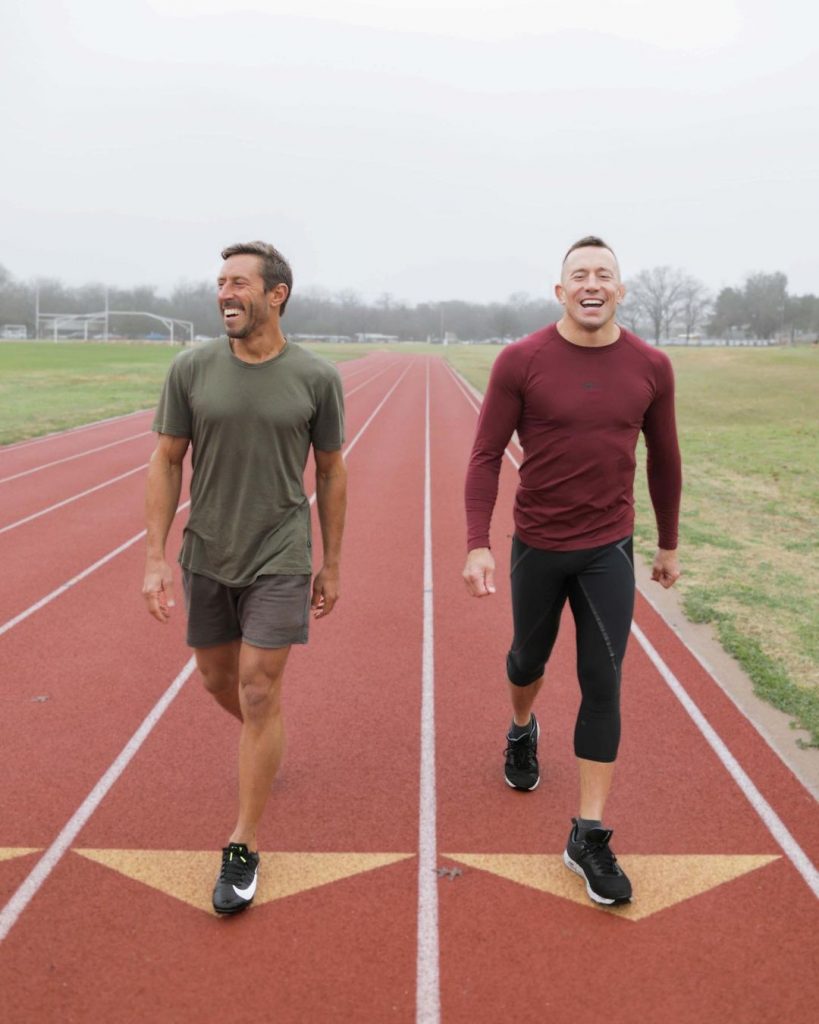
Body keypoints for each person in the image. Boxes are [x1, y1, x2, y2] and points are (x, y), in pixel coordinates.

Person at [462, 236, 681, 906]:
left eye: (603, 274)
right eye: (579, 274)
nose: (591, 283)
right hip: (538, 545)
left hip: (608, 548)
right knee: (526, 661)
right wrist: (477, 543)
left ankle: (587, 834)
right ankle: (521, 728)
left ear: (620, 289)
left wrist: (668, 544)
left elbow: (664, 458)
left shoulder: (651, 366)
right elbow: (485, 454)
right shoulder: (521, 360)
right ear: (560, 291)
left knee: (602, 681)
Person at [142, 241, 347, 914]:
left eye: (238, 283)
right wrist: (154, 557)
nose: (224, 294)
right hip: (207, 551)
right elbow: (166, 460)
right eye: (221, 282)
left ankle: (243, 843)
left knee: (259, 689)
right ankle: (265, 742)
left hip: (279, 551)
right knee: (217, 680)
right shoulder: (191, 369)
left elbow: (331, 471)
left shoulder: (315, 377)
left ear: (276, 294)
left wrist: (332, 561)